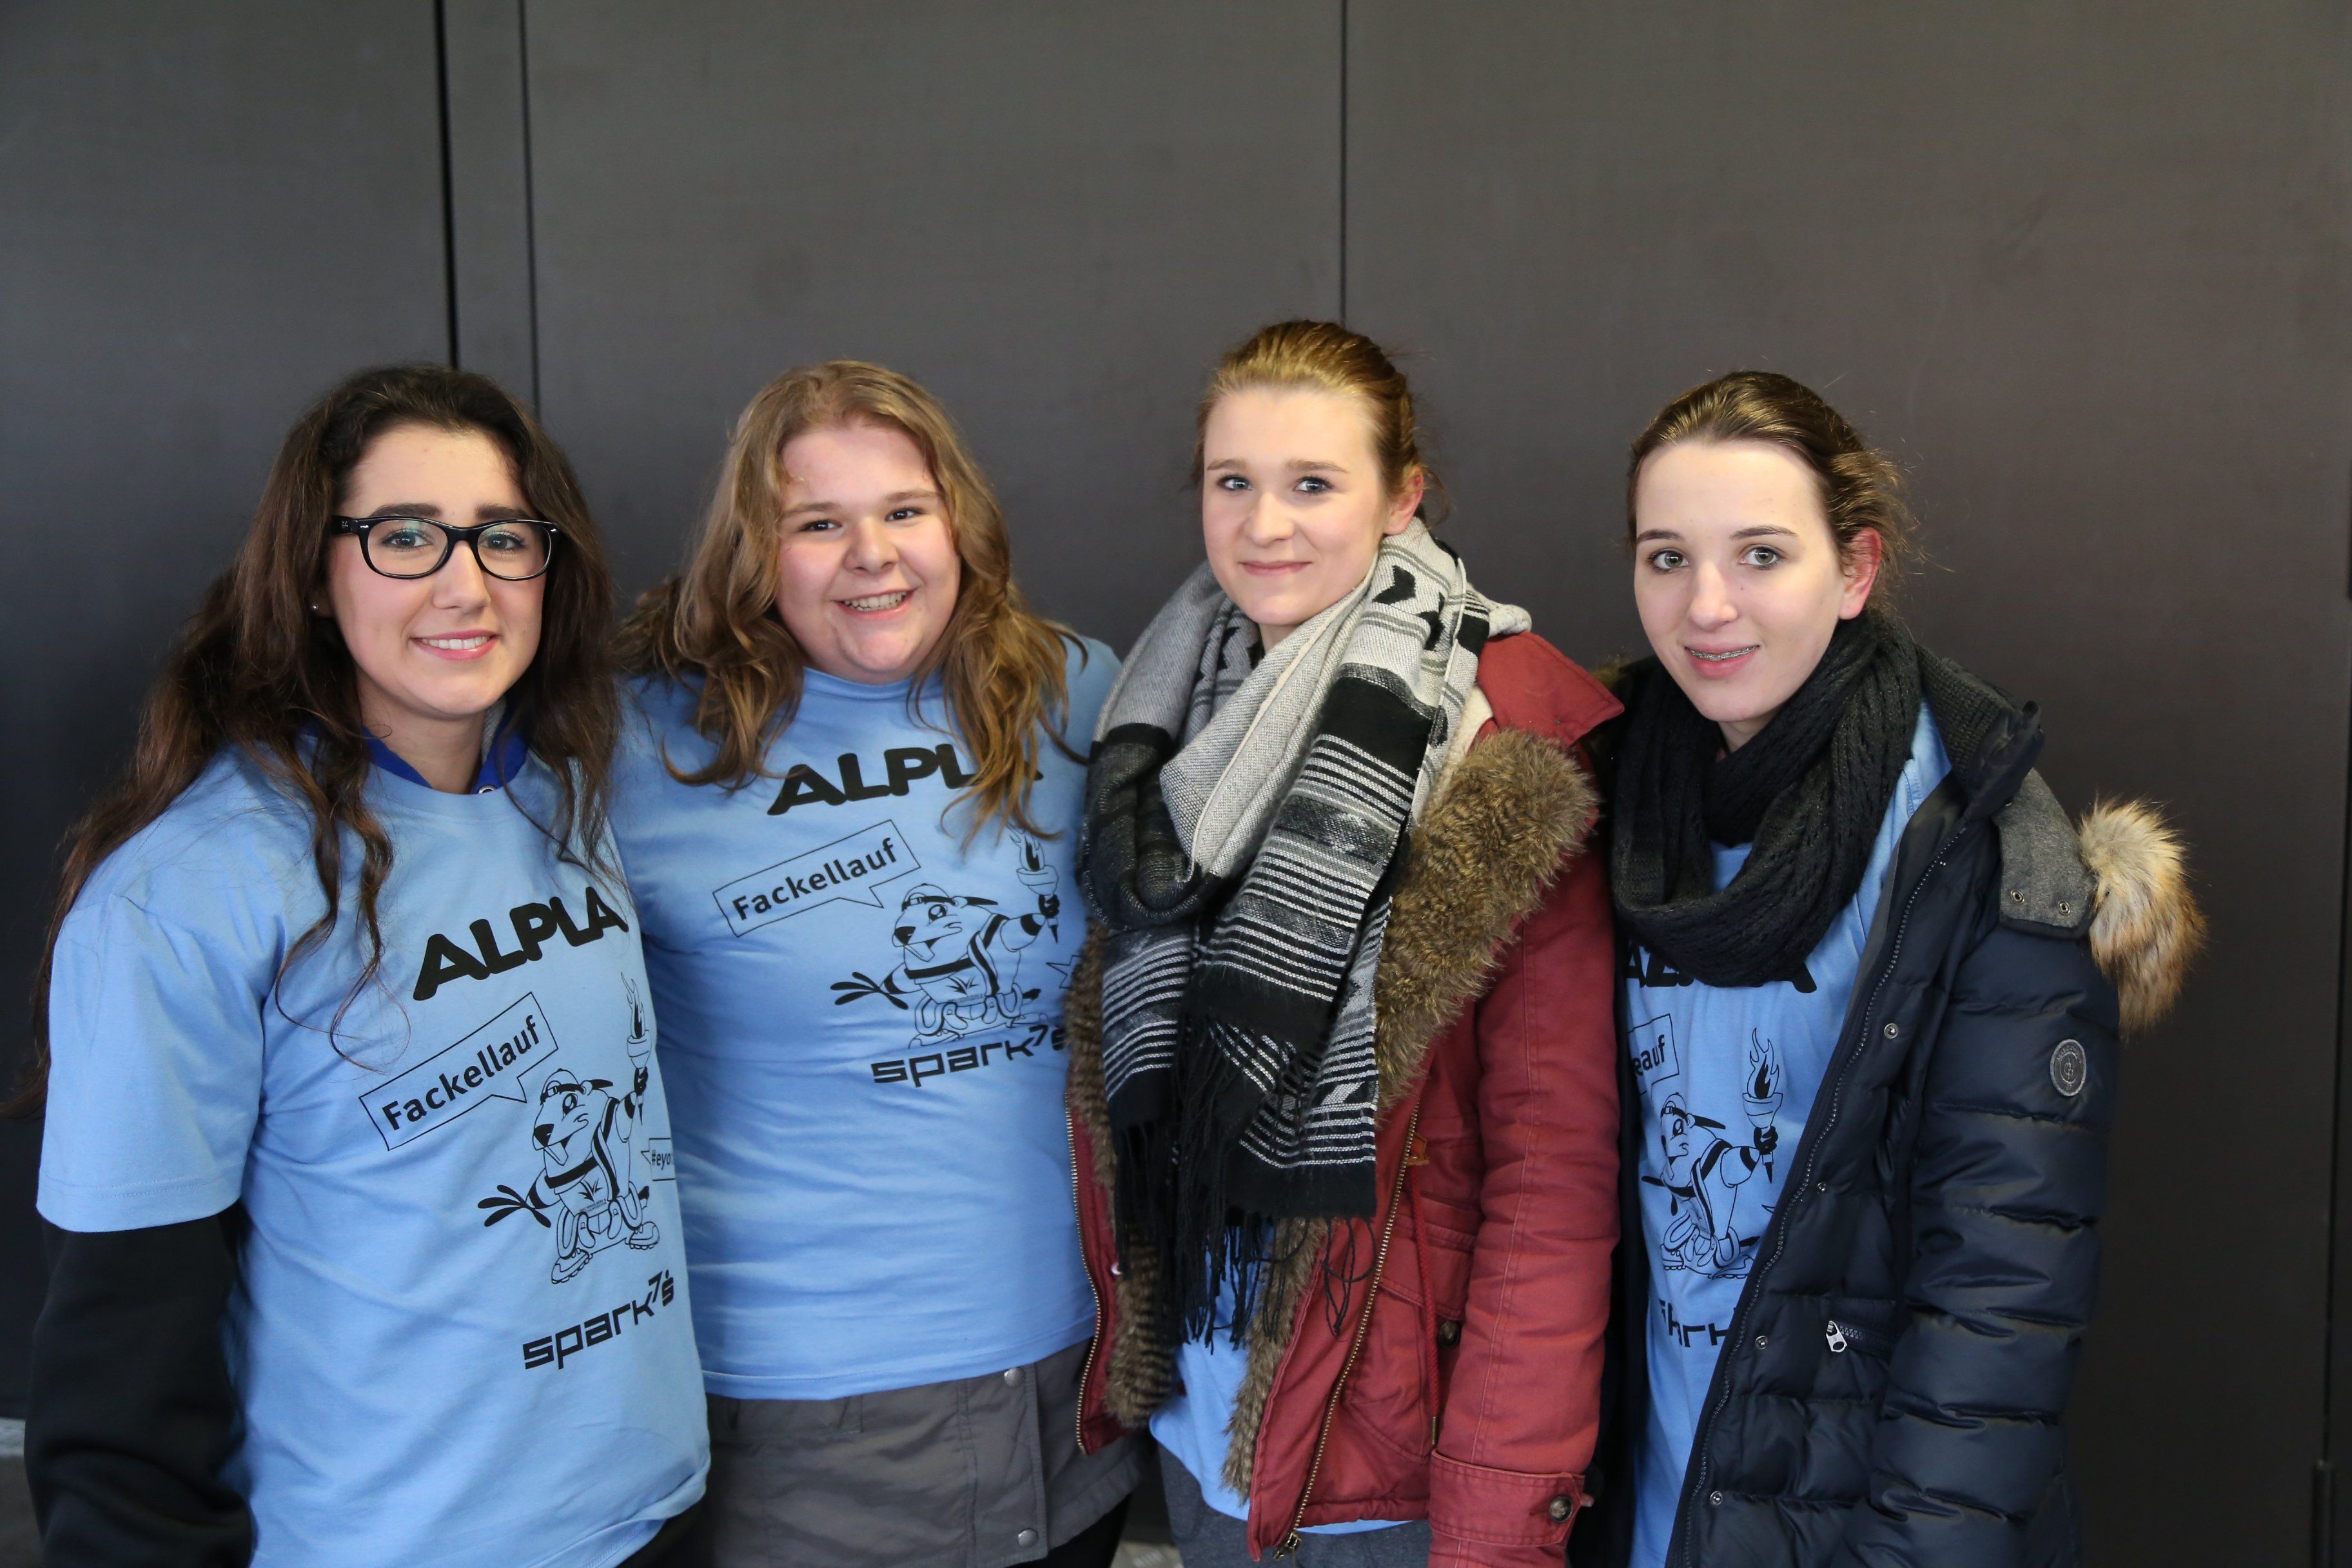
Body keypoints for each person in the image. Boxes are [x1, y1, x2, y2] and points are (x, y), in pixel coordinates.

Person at [23, 366, 708, 1568]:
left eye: (504, 538)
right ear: (313, 574)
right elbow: (119, 1363)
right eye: (404, 537)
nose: (465, 584)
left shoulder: (576, 800)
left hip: (650, 1516)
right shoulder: (187, 895)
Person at [1582, 371, 2206, 1567]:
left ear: (1856, 569)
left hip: (1856, 1520)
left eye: (1762, 555)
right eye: (1668, 558)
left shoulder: (1978, 848)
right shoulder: (1606, 801)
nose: (1706, 605)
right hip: (1648, 1500)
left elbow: (1999, 1293)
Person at [1069, 320, 1622, 1567]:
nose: (1265, 525)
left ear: (1401, 497)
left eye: (1314, 484)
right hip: (1203, 1434)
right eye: (1234, 482)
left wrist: (1498, 1513)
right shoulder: (1164, 707)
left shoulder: (1500, 741)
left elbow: (1550, 1175)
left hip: (1386, 1472)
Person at [610, 361, 1137, 1568]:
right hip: (803, 1420)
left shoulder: (1075, 691)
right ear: (755, 552)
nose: (873, 555)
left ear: (960, 524)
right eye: (817, 523)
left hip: (1074, 1381)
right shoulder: (638, 743)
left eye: (905, 509)